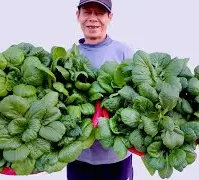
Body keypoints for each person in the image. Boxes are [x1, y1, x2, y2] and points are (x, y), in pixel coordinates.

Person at [66, 1, 135, 180]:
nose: (93, 19)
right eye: (87, 12)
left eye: (100, 14)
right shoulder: (68, 56)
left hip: (117, 154)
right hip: (78, 154)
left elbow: (137, 96)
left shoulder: (124, 52)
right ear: (77, 15)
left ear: (109, 17)